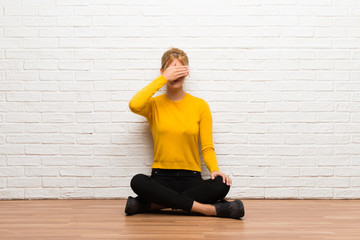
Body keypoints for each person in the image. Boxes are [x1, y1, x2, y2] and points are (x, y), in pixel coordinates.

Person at [126, 47, 245, 219]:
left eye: (180, 70)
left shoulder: (200, 106)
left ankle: (151, 205)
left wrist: (215, 169)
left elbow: (207, 147)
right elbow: (134, 105)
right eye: (171, 70)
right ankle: (209, 209)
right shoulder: (153, 105)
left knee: (221, 185)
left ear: (187, 72)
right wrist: (162, 79)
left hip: (192, 180)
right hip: (161, 178)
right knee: (137, 181)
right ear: (162, 71)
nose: (176, 74)